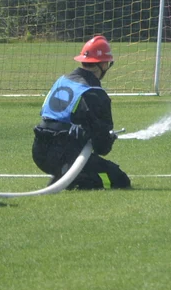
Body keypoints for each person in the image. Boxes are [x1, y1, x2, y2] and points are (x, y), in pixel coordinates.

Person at [32, 35, 131, 190]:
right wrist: (108, 138)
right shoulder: (94, 93)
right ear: (104, 65)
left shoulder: (62, 80)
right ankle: (73, 178)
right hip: (65, 156)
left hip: (39, 152)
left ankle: (65, 174)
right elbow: (102, 148)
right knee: (119, 180)